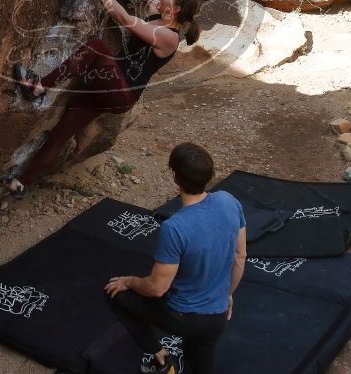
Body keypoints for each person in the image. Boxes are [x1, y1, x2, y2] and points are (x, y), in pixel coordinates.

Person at [1, 0, 202, 198]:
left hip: (122, 93)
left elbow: (126, 20)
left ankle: (38, 87)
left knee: (98, 47)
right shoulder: (160, 10)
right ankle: (21, 184)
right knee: (62, 131)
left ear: (176, 10)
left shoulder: (168, 37)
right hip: (110, 81)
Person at [104, 143, 247, 374]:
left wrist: (129, 281)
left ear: (175, 177)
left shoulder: (175, 227)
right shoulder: (228, 201)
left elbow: (157, 288)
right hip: (217, 316)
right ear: (210, 175)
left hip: (183, 318)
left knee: (114, 293)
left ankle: (160, 356)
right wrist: (227, 295)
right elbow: (240, 256)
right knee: (199, 360)